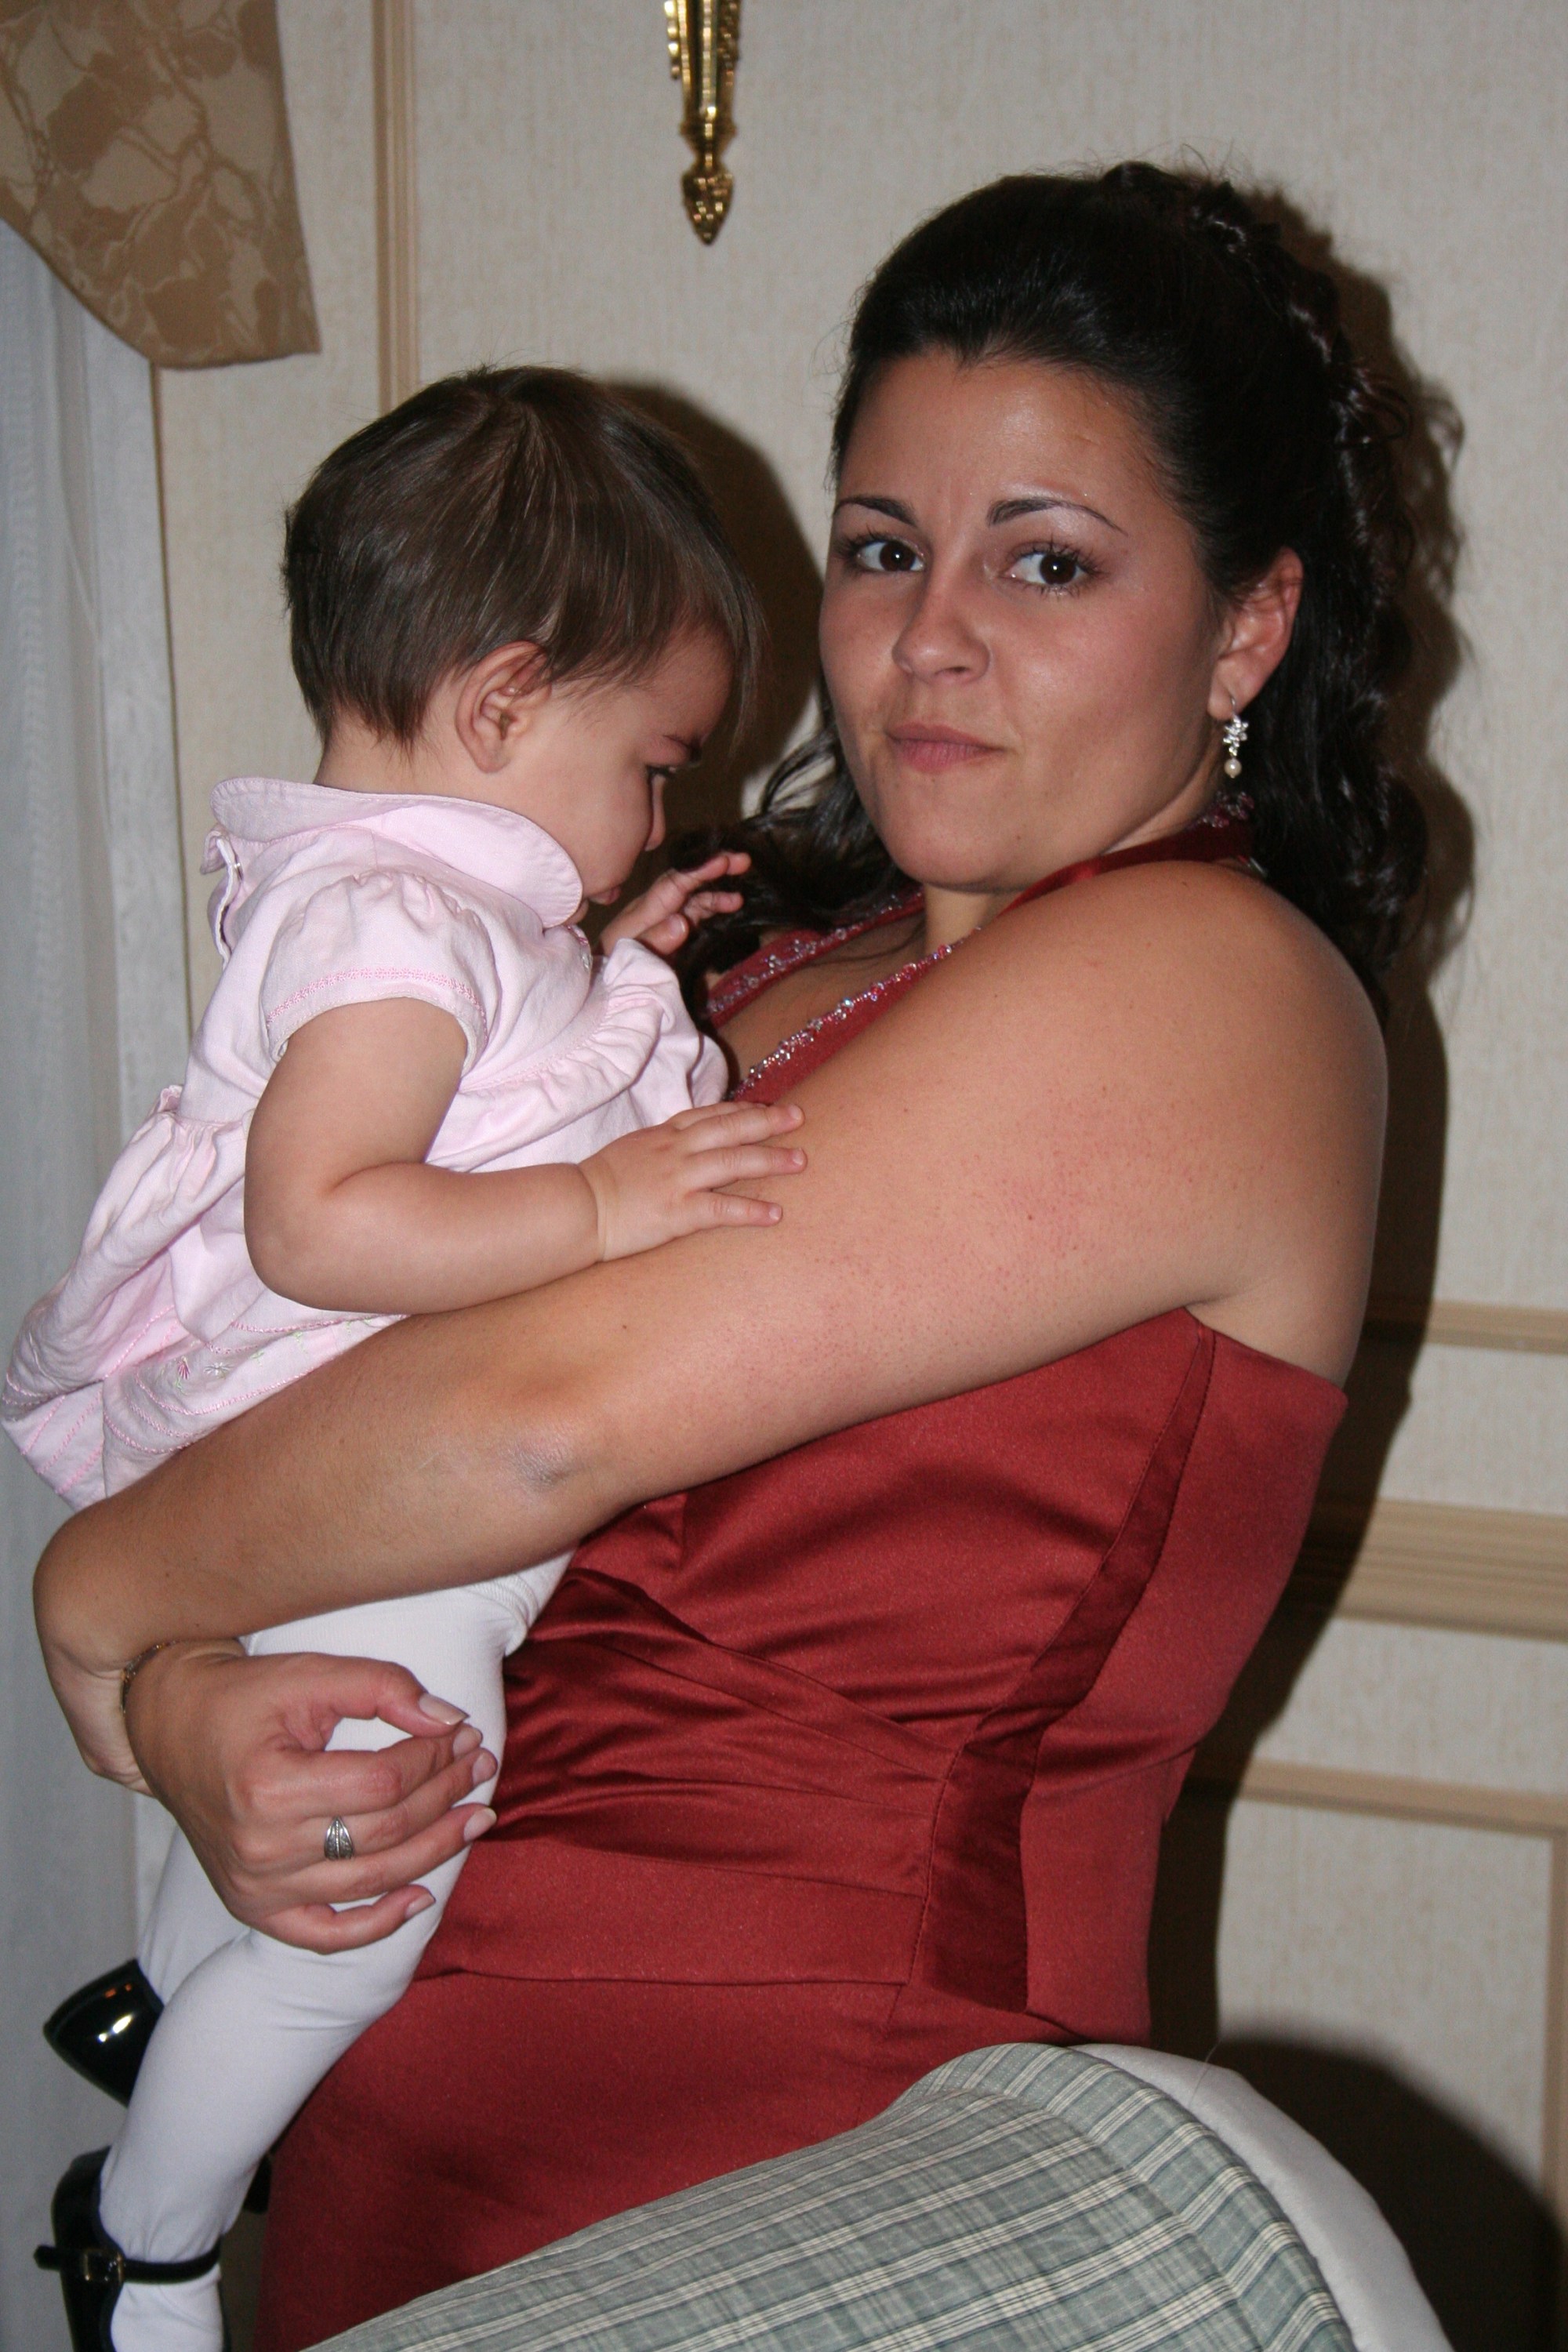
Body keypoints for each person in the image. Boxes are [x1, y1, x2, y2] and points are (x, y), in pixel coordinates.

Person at [30, 164, 1426, 2352]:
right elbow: (353, 1413)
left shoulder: (1207, 986)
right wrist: (210, 1709)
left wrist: (100, 1603)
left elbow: (527, 1424)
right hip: (394, 2123)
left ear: (1246, 629)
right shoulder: (733, 973)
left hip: (815, 2167)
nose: (928, 637)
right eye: (882, 547)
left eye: (1045, 560)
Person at [9, 366, 809, 2352]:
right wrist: (606, 1207)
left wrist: (613, 969)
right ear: (504, 703)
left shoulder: (422, 908)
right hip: (362, 1486)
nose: (656, 810)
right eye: (651, 764)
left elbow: (486, 1106)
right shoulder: (391, 927)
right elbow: (327, 1221)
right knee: (362, 1909)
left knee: (302, 1822)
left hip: (341, 1470)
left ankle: (163, 2010)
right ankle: (145, 2237)